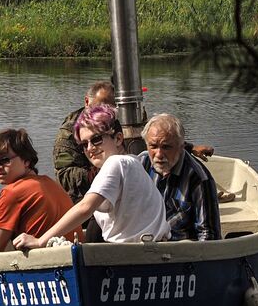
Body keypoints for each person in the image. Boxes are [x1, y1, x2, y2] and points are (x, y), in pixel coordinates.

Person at [13, 104, 170, 248]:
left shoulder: (116, 163)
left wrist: (40, 241)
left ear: (118, 138)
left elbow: (85, 208)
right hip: (150, 249)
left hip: (133, 256)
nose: (90, 148)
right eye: (84, 144)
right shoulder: (133, 162)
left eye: (96, 139)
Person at [0, 128, 81, 263]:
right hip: (73, 258)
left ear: (26, 160)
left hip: (45, 262)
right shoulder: (51, 183)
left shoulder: (12, 192)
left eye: (4, 160)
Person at [140, 113, 221, 241]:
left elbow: (208, 236)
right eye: (153, 146)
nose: (159, 154)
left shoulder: (199, 179)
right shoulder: (140, 165)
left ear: (181, 147)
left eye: (166, 147)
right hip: (142, 247)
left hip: (180, 253)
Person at [52, 80, 115, 201]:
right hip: (83, 197)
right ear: (87, 101)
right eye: (101, 106)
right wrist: (101, 173)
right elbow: (64, 176)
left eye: (111, 107)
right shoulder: (69, 131)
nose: (105, 112)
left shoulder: (116, 121)